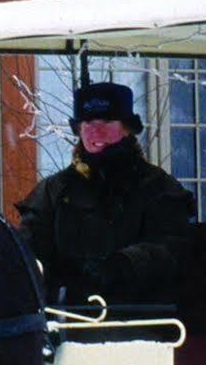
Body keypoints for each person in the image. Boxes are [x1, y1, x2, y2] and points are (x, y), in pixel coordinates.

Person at [17, 80, 193, 307]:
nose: (96, 130)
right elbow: (28, 254)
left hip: (144, 321)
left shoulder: (158, 187)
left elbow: (174, 247)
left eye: (108, 121)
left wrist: (124, 263)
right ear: (79, 128)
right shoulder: (53, 191)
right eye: (88, 121)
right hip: (70, 322)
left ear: (127, 128)